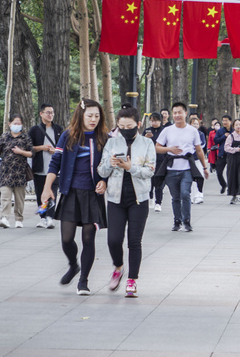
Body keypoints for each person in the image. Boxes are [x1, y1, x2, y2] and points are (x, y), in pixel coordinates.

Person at [41, 99, 109, 295]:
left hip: (92, 194)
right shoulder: (68, 136)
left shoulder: (104, 137)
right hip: (70, 192)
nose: (93, 119)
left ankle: (83, 281)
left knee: (88, 238)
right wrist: (47, 188)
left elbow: (109, 166)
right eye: (90, 115)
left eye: (97, 116)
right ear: (81, 115)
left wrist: (104, 180)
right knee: (67, 238)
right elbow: (55, 163)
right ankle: (73, 264)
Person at [98, 107, 156, 298]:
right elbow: (101, 171)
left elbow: (149, 171)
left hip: (139, 199)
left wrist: (131, 167)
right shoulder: (111, 143)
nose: (125, 129)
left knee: (134, 241)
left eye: (129, 126)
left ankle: (132, 280)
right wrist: (110, 163)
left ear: (138, 125)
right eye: (121, 126)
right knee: (113, 239)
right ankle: (118, 267)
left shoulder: (147, 143)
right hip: (115, 197)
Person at [155, 102, 210, 232]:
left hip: (186, 168)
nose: (177, 115)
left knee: (185, 194)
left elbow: (199, 150)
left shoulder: (192, 131)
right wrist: (169, 149)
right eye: (175, 113)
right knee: (175, 197)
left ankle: (187, 220)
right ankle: (177, 220)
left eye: (180, 112)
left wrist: (204, 167)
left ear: (185, 113)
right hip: (171, 169)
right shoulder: (167, 131)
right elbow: (157, 147)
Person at [0, 115, 34, 228]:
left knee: (19, 198)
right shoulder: (4, 137)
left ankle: (19, 219)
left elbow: (31, 153)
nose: (17, 125)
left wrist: (21, 151)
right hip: (6, 172)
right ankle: (4, 217)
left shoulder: (25, 138)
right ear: (9, 124)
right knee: (5, 196)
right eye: (15, 123)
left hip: (20, 172)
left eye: (19, 123)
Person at [29, 104, 64, 229]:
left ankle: (50, 217)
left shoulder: (59, 129)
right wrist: (42, 148)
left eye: (52, 112)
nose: (50, 115)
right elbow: (29, 147)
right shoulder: (35, 130)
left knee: (52, 192)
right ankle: (42, 217)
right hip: (40, 168)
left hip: (55, 169)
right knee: (40, 194)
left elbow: (65, 147)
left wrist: (56, 150)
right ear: (41, 114)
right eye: (48, 112)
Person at [144, 112, 166, 212]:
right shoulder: (147, 131)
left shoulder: (164, 131)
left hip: (161, 159)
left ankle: (158, 202)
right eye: (152, 121)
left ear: (160, 121)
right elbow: (140, 143)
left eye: (156, 121)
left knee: (159, 182)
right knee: (149, 181)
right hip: (149, 160)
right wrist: (145, 138)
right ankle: (150, 198)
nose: (154, 123)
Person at [188, 114, 207, 204]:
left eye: (196, 124)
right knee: (191, 178)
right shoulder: (187, 134)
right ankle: (191, 196)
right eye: (193, 124)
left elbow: (202, 144)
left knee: (200, 177)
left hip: (198, 159)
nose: (195, 125)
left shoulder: (201, 134)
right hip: (190, 159)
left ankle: (199, 195)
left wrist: (195, 146)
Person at [213, 115, 232, 194]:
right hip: (222, 154)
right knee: (219, 172)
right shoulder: (220, 131)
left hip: (231, 154)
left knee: (230, 173)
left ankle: (230, 189)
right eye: (223, 120)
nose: (224, 122)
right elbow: (216, 140)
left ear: (230, 121)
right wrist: (224, 136)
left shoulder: (233, 130)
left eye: (226, 120)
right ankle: (224, 185)